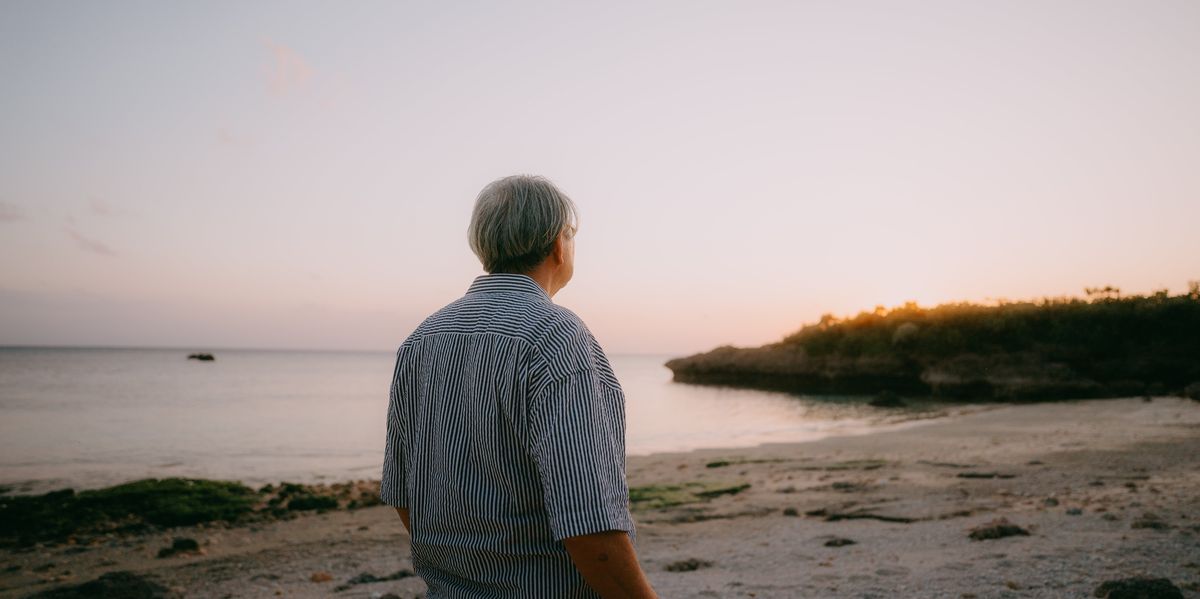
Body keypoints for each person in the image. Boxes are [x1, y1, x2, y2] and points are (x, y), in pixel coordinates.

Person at [379, 175, 657, 598]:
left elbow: (404, 495)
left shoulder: (421, 341)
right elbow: (590, 521)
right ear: (558, 246)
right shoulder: (556, 337)